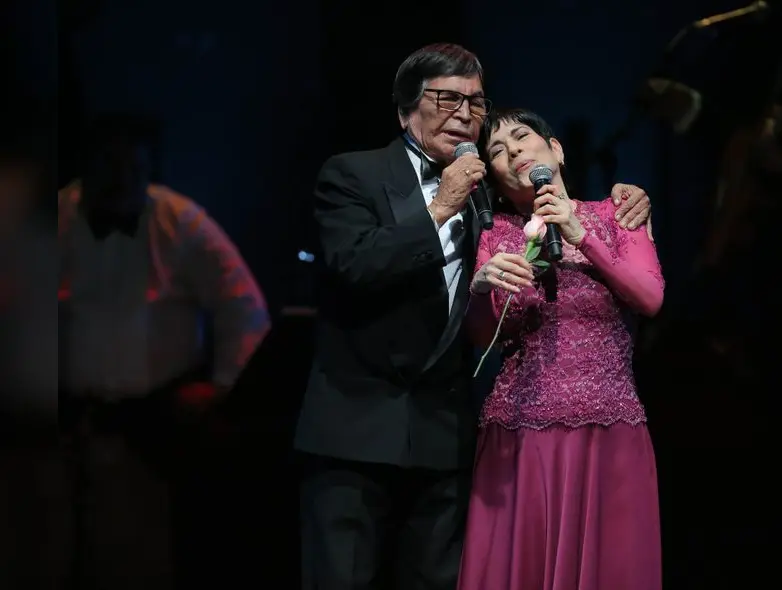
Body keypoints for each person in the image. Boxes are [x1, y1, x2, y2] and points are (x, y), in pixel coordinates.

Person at [295, 43, 653, 590]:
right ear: (405, 111)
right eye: (447, 98)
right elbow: (355, 264)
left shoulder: (493, 195)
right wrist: (439, 208)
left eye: (477, 103)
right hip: (358, 431)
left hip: (447, 434)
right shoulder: (355, 174)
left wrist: (624, 202)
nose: (465, 113)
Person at [57, 112, 271, 589]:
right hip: (68, 421)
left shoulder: (180, 221)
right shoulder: (55, 218)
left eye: (133, 169)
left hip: (154, 423)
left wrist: (223, 394)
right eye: (109, 169)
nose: (121, 182)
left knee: (146, 559)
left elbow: (244, 309)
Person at [456, 108, 664, 590]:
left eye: (523, 138)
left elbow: (649, 298)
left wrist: (580, 234)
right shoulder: (496, 236)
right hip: (523, 434)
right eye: (498, 153)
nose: (513, 154)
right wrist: (480, 290)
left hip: (609, 430)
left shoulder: (620, 214)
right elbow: (484, 336)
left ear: (557, 150)